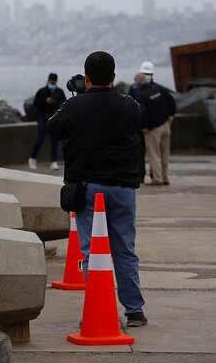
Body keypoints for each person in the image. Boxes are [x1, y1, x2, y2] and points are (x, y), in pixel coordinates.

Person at [48, 51, 148, 328]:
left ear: (87, 78)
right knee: (125, 250)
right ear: (114, 77)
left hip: (87, 187)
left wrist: (75, 99)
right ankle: (135, 310)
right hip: (123, 187)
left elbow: (53, 127)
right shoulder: (129, 106)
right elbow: (137, 119)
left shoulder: (76, 105)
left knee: (93, 252)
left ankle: (100, 307)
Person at [130, 61, 176, 185]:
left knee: (154, 154)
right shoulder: (159, 88)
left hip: (152, 129)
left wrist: (144, 126)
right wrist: (171, 114)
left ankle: (157, 178)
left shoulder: (141, 94)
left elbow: (143, 113)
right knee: (165, 154)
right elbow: (171, 100)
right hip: (165, 125)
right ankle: (165, 177)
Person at [28, 73, 66, 171]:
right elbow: (36, 104)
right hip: (43, 118)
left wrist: (54, 102)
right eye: (51, 81)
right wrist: (45, 101)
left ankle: (53, 161)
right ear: (48, 81)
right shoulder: (42, 92)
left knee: (54, 140)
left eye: (54, 82)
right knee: (40, 138)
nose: (52, 83)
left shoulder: (59, 92)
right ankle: (33, 158)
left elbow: (64, 104)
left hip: (54, 118)